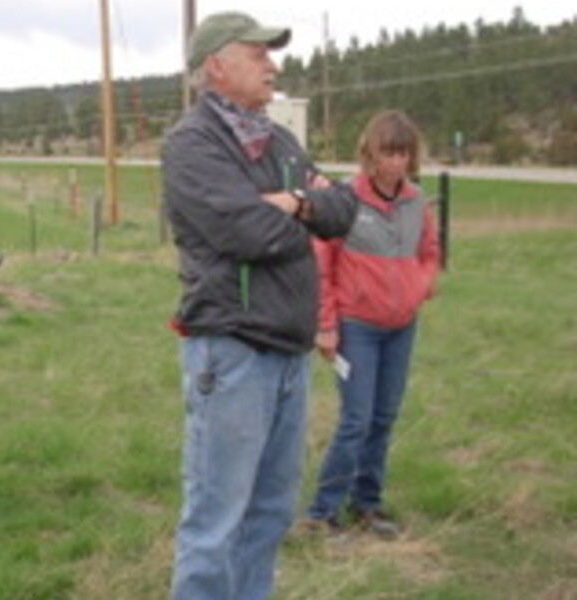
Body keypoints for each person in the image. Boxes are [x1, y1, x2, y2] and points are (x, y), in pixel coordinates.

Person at [161, 11, 358, 600]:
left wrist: (290, 202)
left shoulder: (279, 140)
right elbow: (248, 233)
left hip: (288, 352)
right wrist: (304, 210)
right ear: (216, 66)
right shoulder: (192, 144)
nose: (273, 65)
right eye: (258, 54)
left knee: (270, 513)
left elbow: (343, 209)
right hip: (232, 354)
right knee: (216, 521)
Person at [302, 110, 440, 539]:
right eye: (388, 153)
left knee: (383, 418)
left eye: (404, 154)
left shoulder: (417, 202)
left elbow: (430, 252)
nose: (396, 162)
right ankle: (322, 513)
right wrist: (326, 325)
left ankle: (367, 504)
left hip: (401, 326)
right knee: (356, 420)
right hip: (356, 327)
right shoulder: (344, 200)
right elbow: (321, 266)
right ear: (370, 154)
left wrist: (418, 286)